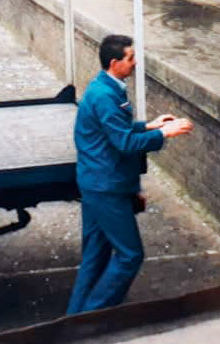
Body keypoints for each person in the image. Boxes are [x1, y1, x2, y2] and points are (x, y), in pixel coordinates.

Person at [66, 34, 193, 315]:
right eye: (131, 58)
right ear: (115, 63)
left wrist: (148, 126)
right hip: (106, 188)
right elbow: (123, 143)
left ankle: (75, 318)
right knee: (130, 255)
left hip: (96, 184)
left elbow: (116, 130)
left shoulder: (105, 88)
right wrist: (163, 133)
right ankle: (94, 315)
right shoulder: (105, 96)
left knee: (95, 257)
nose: (135, 63)